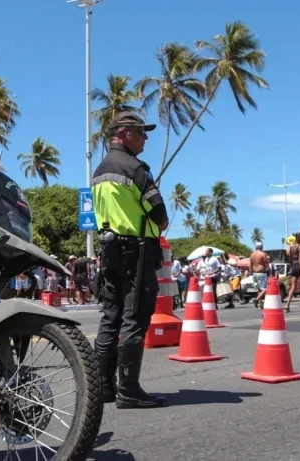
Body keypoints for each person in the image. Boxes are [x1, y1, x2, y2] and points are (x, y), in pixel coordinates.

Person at [91, 111, 169, 409]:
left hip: (109, 250)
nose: (146, 138)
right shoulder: (136, 168)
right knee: (135, 316)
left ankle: (104, 387)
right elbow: (157, 210)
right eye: (141, 132)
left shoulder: (99, 171)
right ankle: (129, 389)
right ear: (123, 134)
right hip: (136, 250)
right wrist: (160, 223)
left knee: (111, 317)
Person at [250, 242, 270, 309]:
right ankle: (256, 299)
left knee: (259, 290)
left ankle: (260, 304)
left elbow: (250, 265)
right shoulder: (263, 254)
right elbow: (266, 264)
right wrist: (270, 272)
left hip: (254, 273)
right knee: (265, 289)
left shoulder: (252, 254)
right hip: (261, 273)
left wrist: (250, 274)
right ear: (261, 247)